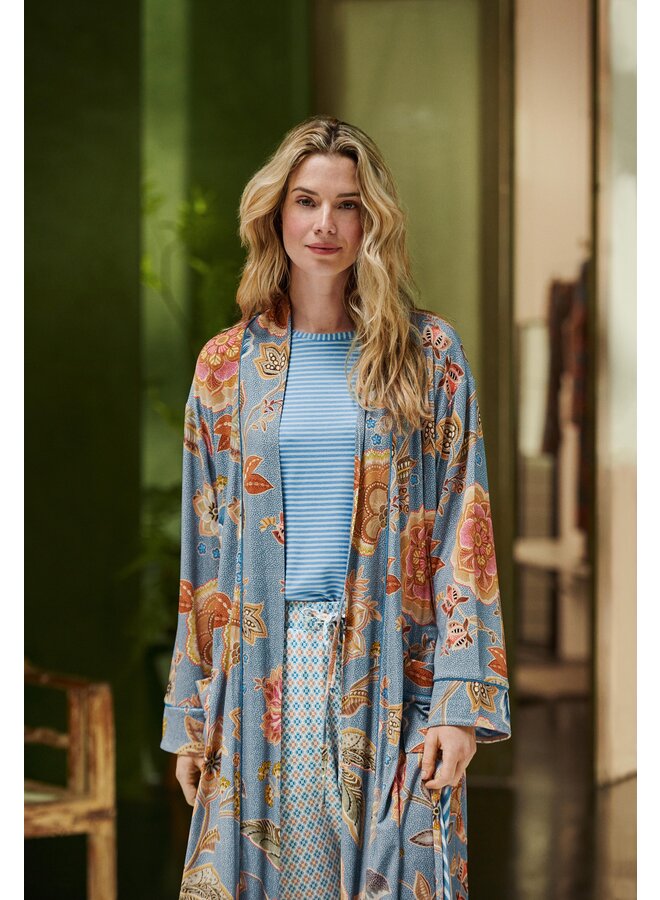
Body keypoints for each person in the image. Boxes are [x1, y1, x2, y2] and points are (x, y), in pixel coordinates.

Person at [161, 115, 511, 900]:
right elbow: (203, 553)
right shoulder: (225, 367)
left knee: (398, 875)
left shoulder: (428, 356)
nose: (326, 224)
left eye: (347, 204)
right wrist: (191, 716)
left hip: (394, 667)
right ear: (276, 213)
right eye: (307, 201)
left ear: (371, 219)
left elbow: (465, 530)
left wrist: (458, 703)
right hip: (265, 670)